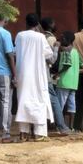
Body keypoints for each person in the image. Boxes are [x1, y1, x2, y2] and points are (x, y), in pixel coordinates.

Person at [14, 13, 54, 141]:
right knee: (39, 100)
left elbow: (15, 51)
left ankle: (23, 133)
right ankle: (38, 133)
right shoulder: (41, 37)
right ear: (37, 24)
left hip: (23, 74)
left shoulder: (20, 36)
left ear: (26, 23)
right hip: (37, 74)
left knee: (23, 101)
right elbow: (49, 54)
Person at [42, 17, 69, 135]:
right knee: (54, 100)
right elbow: (53, 58)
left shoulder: (41, 36)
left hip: (38, 73)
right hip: (47, 73)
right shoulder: (51, 38)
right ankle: (61, 126)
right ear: (51, 25)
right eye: (54, 23)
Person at [56, 31, 82, 133]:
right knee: (72, 105)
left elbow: (67, 65)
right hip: (74, 82)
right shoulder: (76, 52)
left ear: (67, 40)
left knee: (60, 105)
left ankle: (60, 126)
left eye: (62, 38)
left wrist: (58, 73)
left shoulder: (66, 51)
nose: (61, 40)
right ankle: (71, 127)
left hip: (64, 81)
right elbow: (82, 65)